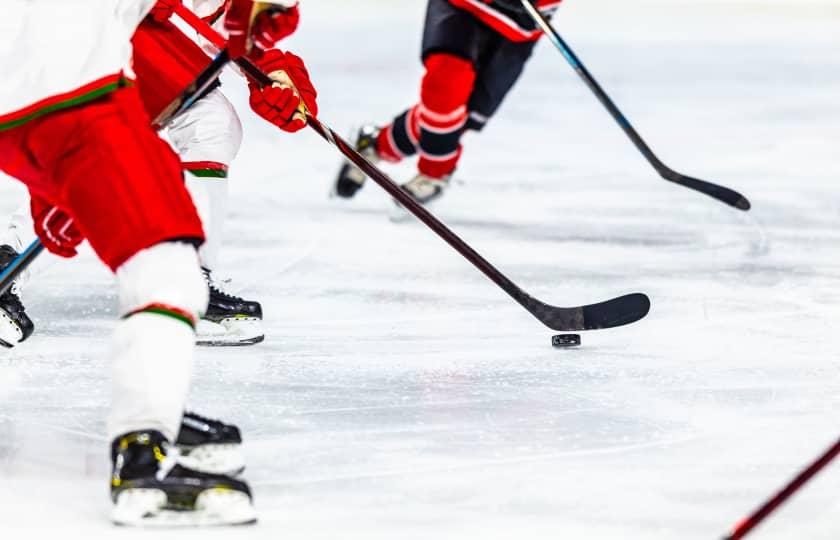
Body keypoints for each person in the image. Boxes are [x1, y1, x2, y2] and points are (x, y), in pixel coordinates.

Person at [0, 0, 313, 525]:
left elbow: (239, 27)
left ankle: (150, 418)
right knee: (163, 264)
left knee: (204, 129)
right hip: (79, 84)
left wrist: (276, 70)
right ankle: (144, 448)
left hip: (67, 75)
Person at [0, 0, 311, 347]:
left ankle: (188, 282)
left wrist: (268, 68)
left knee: (209, 124)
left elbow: (222, 14)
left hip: (129, 33)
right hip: (61, 32)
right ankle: (9, 263)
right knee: (90, 152)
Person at [333, 0, 561, 206]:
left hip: (517, 29)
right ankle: (435, 173)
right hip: (462, 8)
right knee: (446, 82)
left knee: (465, 115)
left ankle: (377, 144)